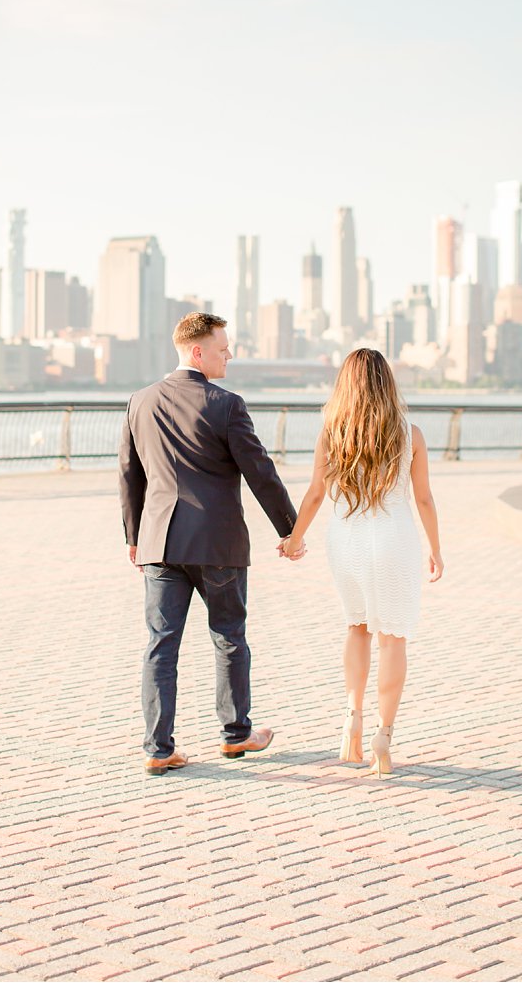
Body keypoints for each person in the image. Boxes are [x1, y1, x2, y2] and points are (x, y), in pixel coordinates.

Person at [117, 312, 300, 777]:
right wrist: (289, 528)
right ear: (197, 351)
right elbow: (260, 471)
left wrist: (135, 537)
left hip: (160, 542)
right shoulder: (227, 404)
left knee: (161, 644)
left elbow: (129, 475)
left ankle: (159, 748)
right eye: (223, 348)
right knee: (229, 638)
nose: (229, 355)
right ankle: (236, 735)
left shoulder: (140, 401)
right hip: (217, 543)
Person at [279, 348, 444, 777]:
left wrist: (295, 539)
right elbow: (423, 498)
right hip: (394, 539)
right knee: (392, 638)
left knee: (357, 628)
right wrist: (436, 548)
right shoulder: (411, 434)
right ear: (387, 384)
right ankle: (382, 737)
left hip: (346, 539)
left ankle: (352, 720)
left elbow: (316, 494)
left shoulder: (331, 433)